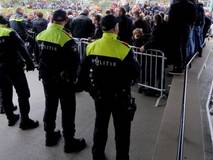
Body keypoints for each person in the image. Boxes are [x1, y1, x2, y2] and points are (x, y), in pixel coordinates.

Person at [79, 15, 140, 160]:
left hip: (100, 96)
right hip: (120, 97)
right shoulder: (124, 49)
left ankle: (97, 155)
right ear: (114, 29)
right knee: (122, 131)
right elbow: (136, 73)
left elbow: (82, 74)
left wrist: (92, 91)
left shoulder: (91, 47)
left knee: (100, 126)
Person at [36, 9, 86, 153]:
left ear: (51, 19)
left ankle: (49, 136)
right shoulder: (66, 39)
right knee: (68, 110)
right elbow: (76, 62)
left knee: (50, 106)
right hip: (64, 82)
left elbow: (38, 56)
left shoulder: (40, 35)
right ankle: (69, 142)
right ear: (65, 20)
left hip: (47, 79)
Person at [0, 15, 39, 129]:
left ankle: (11, 118)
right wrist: (30, 63)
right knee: (23, 93)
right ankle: (25, 121)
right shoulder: (9, 32)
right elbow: (22, 48)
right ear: (5, 23)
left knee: (5, 93)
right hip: (13, 66)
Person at [168, 0, 196, 74]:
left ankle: (178, 67)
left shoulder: (174, 4)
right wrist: (190, 26)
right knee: (184, 46)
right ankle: (185, 64)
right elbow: (193, 18)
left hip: (175, 28)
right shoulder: (191, 5)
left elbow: (170, 18)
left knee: (177, 47)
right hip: (186, 28)